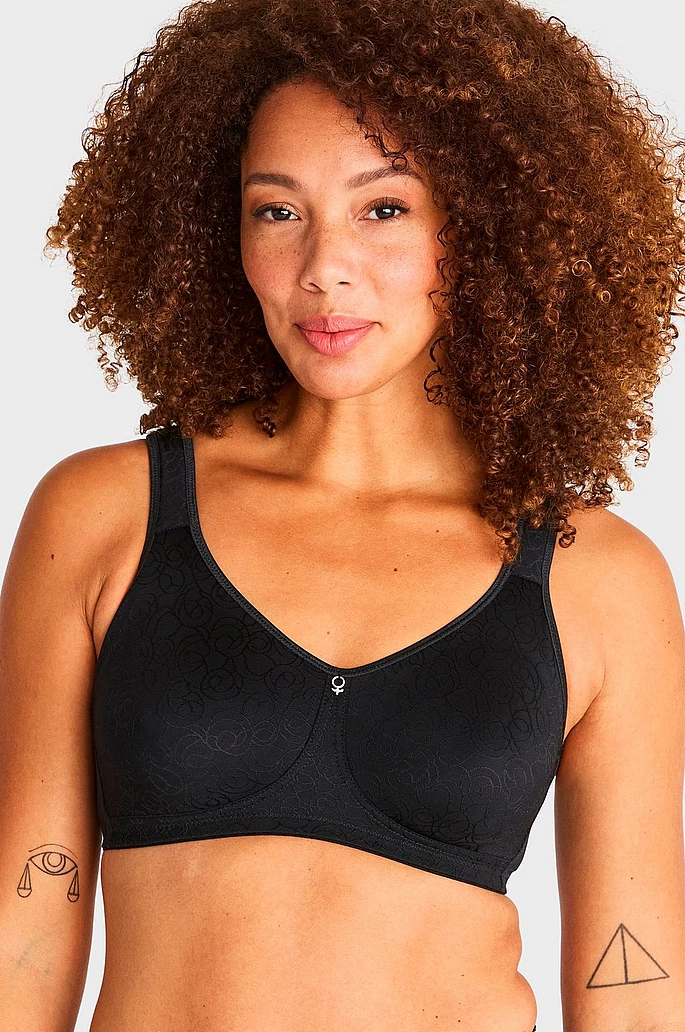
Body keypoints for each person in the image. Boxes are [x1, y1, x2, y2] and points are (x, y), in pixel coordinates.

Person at [1, 0, 684, 1029]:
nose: (323, 266)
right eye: (277, 211)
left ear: (485, 227)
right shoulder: (106, 518)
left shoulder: (597, 577)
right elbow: (23, 936)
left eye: (383, 208)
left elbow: (634, 994)